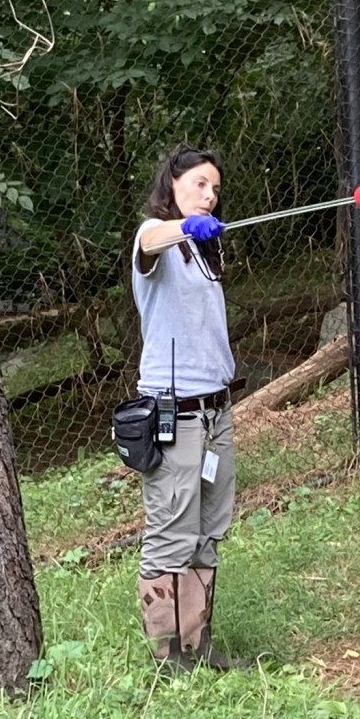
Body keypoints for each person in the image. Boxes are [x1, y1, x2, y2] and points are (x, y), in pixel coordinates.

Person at [130, 143, 243, 672]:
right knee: (170, 531)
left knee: (207, 530)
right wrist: (182, 228)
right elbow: (151, 239)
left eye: (215, 188)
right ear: (172, 185)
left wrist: (196, 236)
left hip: (216, 412)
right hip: (174, 412)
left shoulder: (203, 251)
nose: (209, 195)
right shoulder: (156, 240)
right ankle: (165, 656)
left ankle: (197, 646)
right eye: (199, 183)